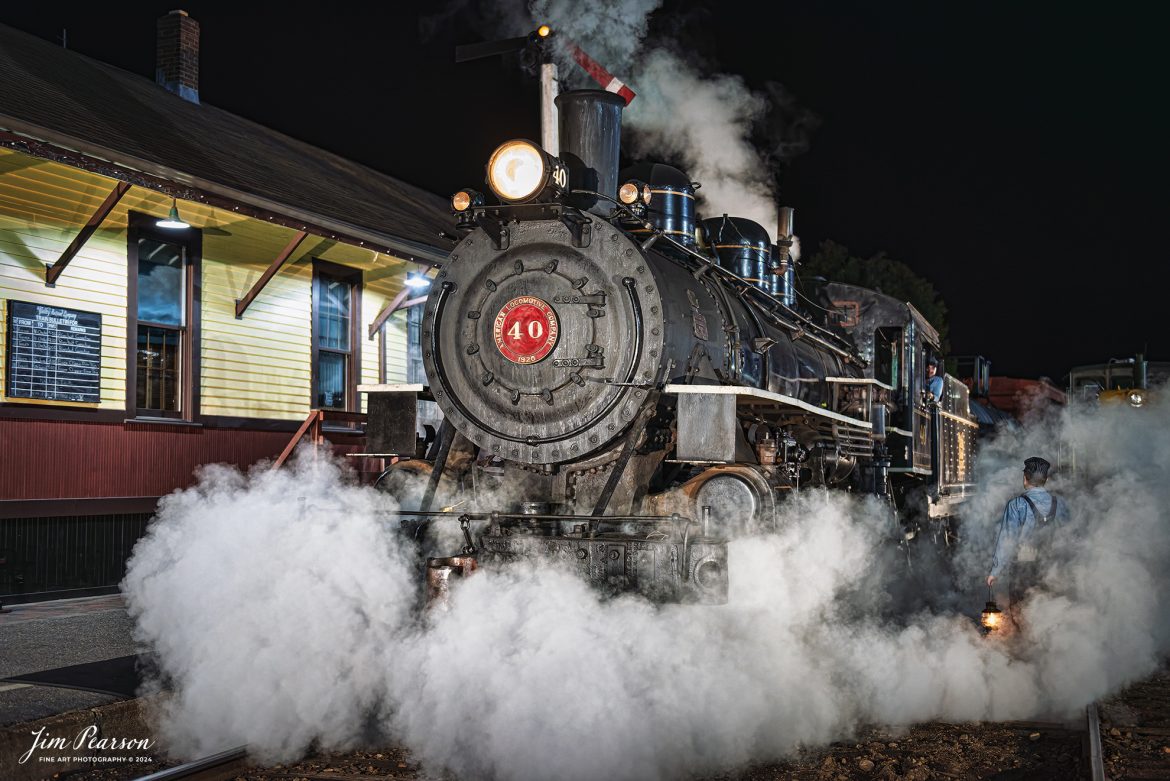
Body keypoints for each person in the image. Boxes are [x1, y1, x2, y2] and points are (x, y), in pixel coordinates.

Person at [986, 457, 1071, 624]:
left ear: (1025, 479)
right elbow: (1068, 536)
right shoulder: (1060, 504)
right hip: (1052, 565)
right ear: (1046, 480)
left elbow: (1007, 540)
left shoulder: (1016, 505)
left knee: (1021, 610)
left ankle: (1026, 643)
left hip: (1025, 566)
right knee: (1052, 606)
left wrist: (995, 571)